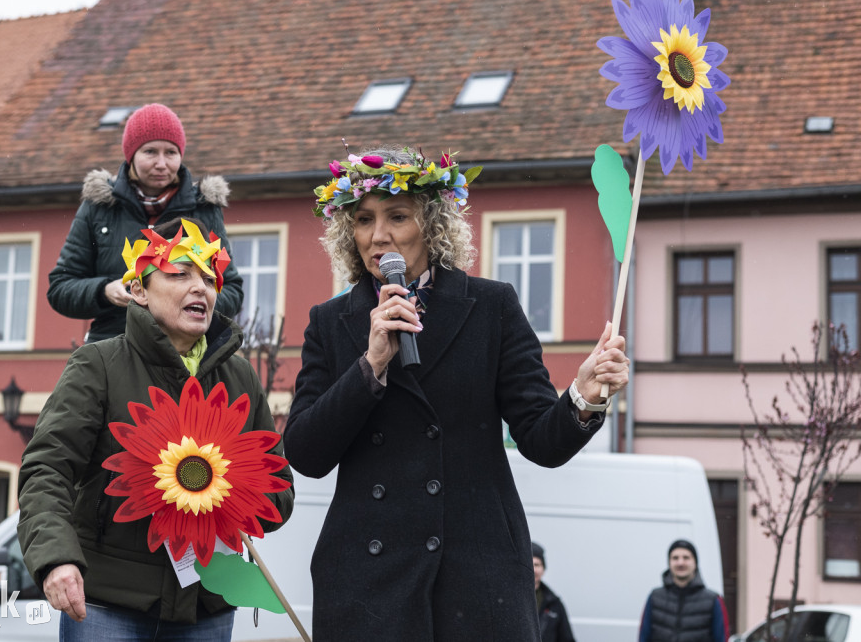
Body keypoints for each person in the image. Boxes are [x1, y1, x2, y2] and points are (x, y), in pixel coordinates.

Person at [282, 146, 630, 641]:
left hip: (475, 578)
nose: (378, 235)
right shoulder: (329, 321)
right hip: (368, 584)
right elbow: (306, 453)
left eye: (397, 216)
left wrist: (584, 394)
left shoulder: (491, 306)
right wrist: (370, 365)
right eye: (363, 220)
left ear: (432, 225)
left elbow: (541, 440)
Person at [18, 217, 293, 641]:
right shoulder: (98, 365)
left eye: (209, 278)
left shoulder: (241, 377)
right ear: (139, 291)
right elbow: (47, 469)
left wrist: (226, 487)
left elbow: (279, 491)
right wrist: (56, 558)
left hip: (207, 608)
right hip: (109, 604)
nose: (200, 288)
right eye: (179, 274)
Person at [47, 102, 243, 343]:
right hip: (113, 345)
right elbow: (60, 289)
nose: (161, 163)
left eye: (170, 153)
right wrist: (104, 291)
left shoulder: (204, 209)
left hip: (186, 350)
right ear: (131, 156)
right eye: (150, 152)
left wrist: (187, 303)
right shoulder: (98, 208)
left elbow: (232, 290)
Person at [638, 539, 729, 642]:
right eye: (675, 558)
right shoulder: (655, 598)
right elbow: (643, 637)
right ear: (669, 563)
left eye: (686, 558)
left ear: (695, 563)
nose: (680, 563)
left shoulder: (713, 601)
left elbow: (721, 639)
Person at [532, 542, 577, 642]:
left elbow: (567, 638)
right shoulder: (510, 600)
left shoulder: (554, 604)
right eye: (530, 565)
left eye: (537, 565)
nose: (533, 570)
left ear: (543, 569)